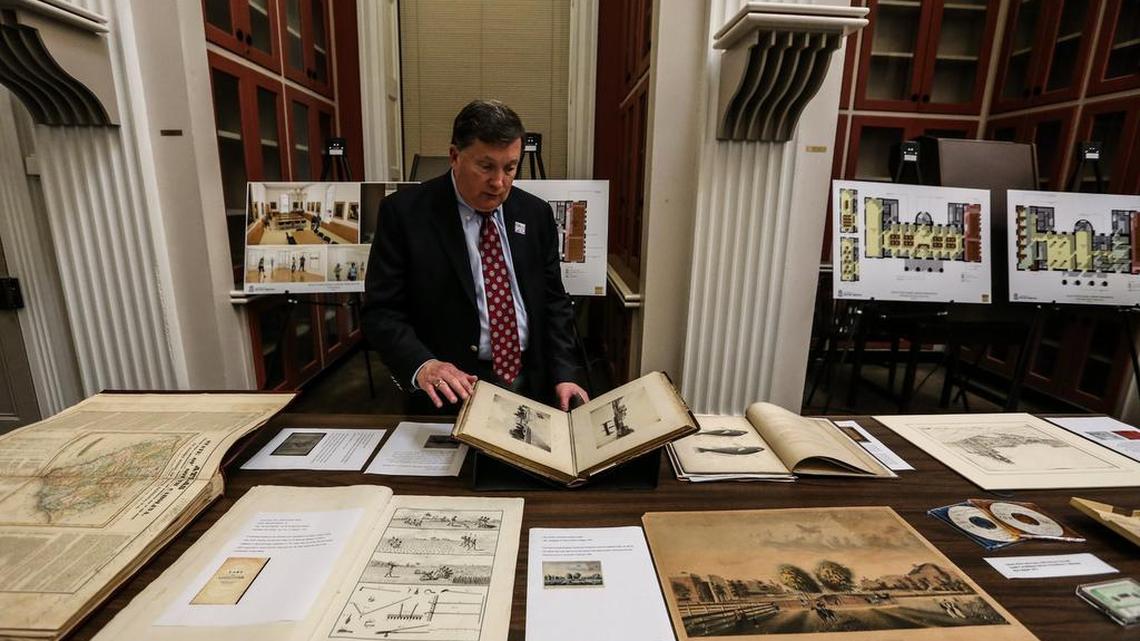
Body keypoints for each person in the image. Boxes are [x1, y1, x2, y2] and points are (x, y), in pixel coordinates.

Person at [363, 99, 588, 412]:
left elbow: (553, 301)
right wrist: (423, 365)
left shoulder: (535, 214)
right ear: (455, 156)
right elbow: (381, 312)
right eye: (486, 167)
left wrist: (565, 372)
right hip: (451, 391)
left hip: (532, 383)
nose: (498, 183)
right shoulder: (405, 214)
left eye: (510, 168)